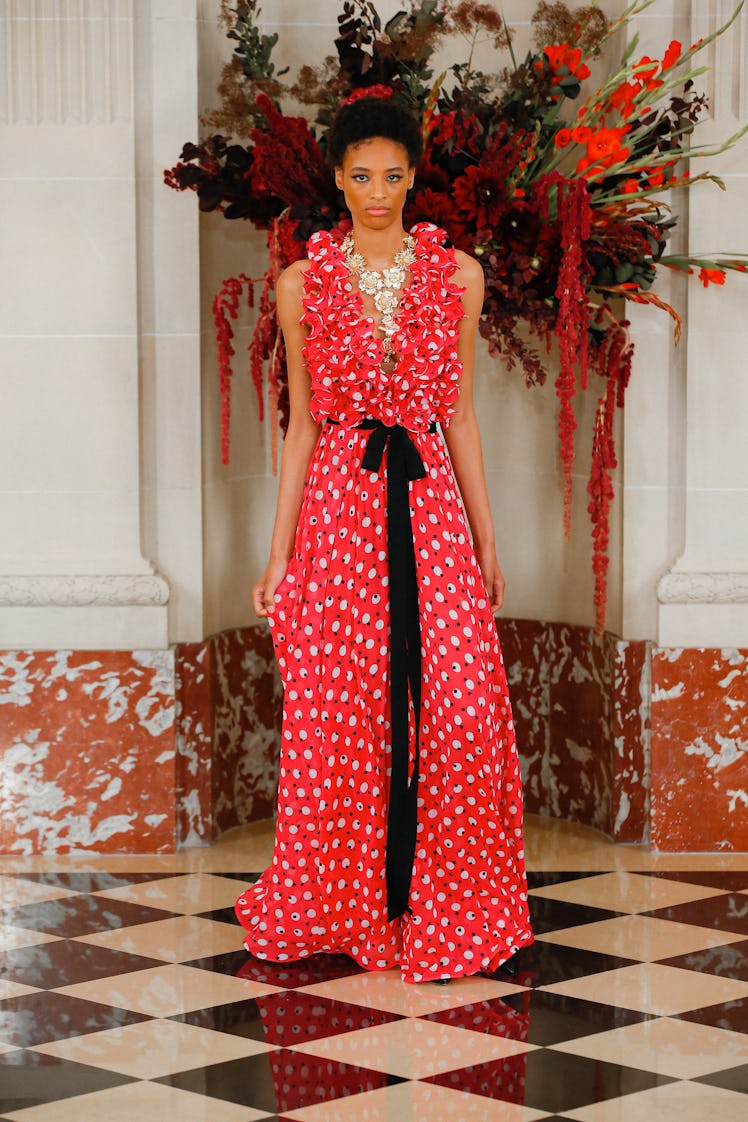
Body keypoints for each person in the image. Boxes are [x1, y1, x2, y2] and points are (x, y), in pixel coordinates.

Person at [235, 90, 533, 984]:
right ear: (336, 177)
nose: (377, 191)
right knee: (342, 709)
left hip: (431, 504)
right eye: (361, 176)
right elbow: (299, 429)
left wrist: (488, 541)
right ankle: (349, 901)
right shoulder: (301, 283)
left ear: (413, 178)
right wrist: (278, 554)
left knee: (459, 704)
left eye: (393, 176)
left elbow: (463, 419)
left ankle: (447, 899)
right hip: (338, 510)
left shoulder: (459, 275)